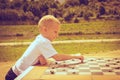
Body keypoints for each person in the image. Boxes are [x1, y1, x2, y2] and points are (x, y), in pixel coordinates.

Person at [5, 15, 84, 80]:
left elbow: (42, 59)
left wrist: (41, 58)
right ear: (45, 29)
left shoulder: (40, 38)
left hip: (15, 72)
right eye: (55, 32)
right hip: (15, 76)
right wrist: (75, 56)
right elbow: (58, 57)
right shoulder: (43, 41)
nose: (57, 35)